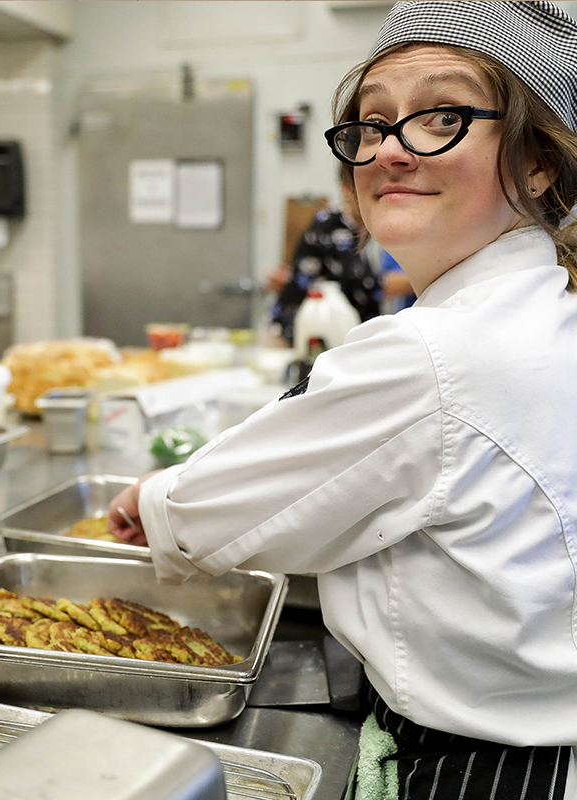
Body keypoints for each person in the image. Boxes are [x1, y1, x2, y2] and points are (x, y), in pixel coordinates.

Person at [109, 2, 577, 797]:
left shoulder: (439, 351)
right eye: (372, 123)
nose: (390, 150)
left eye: (443, 116)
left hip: (482, 768)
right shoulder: (538, 308)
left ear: (539, 162)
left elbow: (200, 522)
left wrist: (149, 499)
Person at [269, 169, 382, 344]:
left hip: (335, 334)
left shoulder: (364, 229)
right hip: (304, 332)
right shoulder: (331, 226)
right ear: (346, 189)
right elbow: (364, 285)